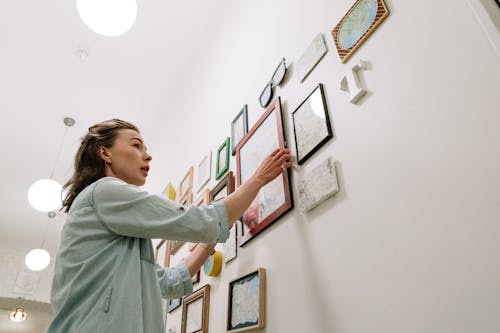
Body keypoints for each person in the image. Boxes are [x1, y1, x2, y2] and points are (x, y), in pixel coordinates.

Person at [47, 119, 292, 333]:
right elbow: (196, 220)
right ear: (105, 153)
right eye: (135, 145)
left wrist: (208, 245)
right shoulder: (104, 191)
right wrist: (258, 179)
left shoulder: (118, 231)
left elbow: (168, 282)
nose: (148, 155)